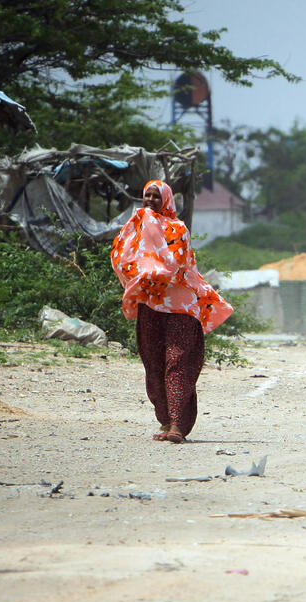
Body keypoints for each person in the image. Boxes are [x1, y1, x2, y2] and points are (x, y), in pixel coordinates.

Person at [111, 180, 233, 443]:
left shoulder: (178, 229)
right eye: (147, 196)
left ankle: (178, 425)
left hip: (180, 305)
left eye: (156, 196)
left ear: (166, 199)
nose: (150, 201)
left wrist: (149, 271)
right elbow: (122, 256)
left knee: (177, 361)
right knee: (153, 361)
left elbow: (173, 265)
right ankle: (165, 421)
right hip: (149, 303)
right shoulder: (136, 226)